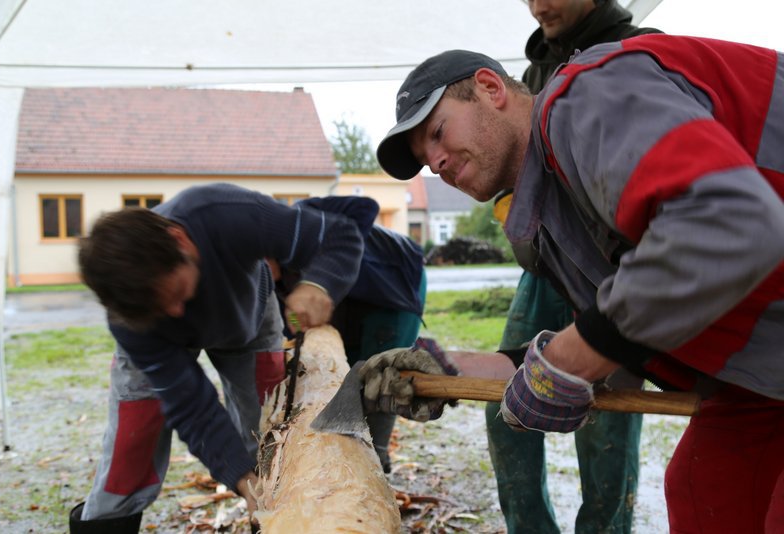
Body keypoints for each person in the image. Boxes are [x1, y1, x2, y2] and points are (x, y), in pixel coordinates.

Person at [369, 37, 784, 533]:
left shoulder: (587, 95)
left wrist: (570, 361)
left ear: (489, 88)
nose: (434, 162)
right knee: (705, 490)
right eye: (424, 159)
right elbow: (620, 340)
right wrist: (453, 369)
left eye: (438, 132)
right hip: (761, 383)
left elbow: (727, 222)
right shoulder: (553, 224)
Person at [71, 182, 364, 533]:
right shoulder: (131, 318)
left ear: (180, 239)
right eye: (164, 310)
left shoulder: (226, 212)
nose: (180, 313)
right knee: (132, 442)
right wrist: (240, 477)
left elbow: (340, 236)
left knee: (269, 429)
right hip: (153, 335)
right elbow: (190, 404)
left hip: (248, 318)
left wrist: (319, 284)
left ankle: (275, 520)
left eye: (177, 293)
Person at [486, 1, 660, 532]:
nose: (539, 4)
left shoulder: (639, 52)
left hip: (616, 275)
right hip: (542, 271)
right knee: (505, 405)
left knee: (609, 416)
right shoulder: (532, 75)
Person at [267, 194, 430, 472]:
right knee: (346, 374)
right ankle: (347, 455)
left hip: (392, 286)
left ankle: (376, 458)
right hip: (351, 306)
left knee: (378, 372)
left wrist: (319, 277)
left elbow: (367, 207)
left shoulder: (303, 217)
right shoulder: (274, 281)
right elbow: (290, 319)